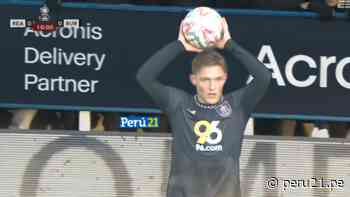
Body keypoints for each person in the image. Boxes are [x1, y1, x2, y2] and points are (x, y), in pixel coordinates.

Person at [136, 17, 271, 197]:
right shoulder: (179, 104)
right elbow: (144, 77)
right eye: (205, 80)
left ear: (225, 79)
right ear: (194, 80)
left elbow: (264, 77)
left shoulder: (238, 105)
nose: (212, 86)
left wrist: (229, 44)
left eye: (217, 79)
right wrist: (179, 45)